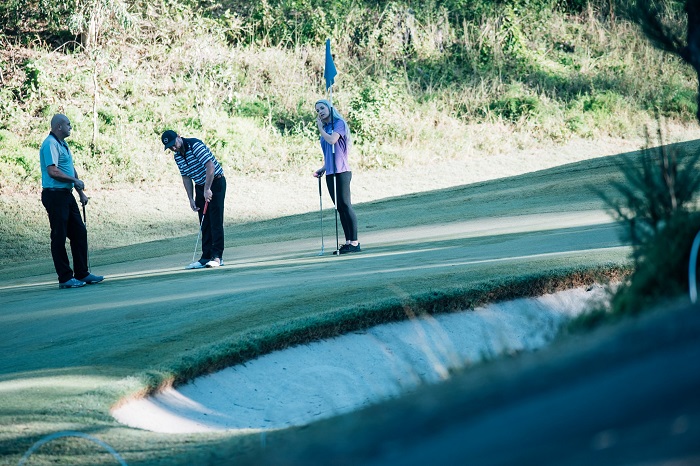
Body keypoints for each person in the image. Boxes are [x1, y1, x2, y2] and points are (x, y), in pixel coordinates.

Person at [39, 114, 104, 289]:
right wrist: (74, 181)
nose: (70, 127)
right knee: (59, 235)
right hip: (54, 195)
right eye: (68, 124)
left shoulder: (63, 144)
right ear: (59, 126)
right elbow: (53, 171)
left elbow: (70, 168)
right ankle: (65, 278)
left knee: (79, 232)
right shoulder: (50, 144)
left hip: (66, 194)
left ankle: (82, 273)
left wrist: (80, 192)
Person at [162, 130, 226, 269]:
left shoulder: (195, 145)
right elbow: (185, 177)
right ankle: (205, 257)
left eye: (174, 144)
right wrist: (191, 198)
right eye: (170, 147)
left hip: (215, 182)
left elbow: (210, 166)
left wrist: (208, 189)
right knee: (204, 222)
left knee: (215, 220)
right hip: (200, 186)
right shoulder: (177, 156)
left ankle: (217, 257)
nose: (174, 148)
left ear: (179, 137)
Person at [312, 99, 361, 254]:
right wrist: (323, 168)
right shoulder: (326, 128)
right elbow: (329, 154)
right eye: (317, 110)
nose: (320, 111)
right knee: (339, 208)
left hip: (342, 171)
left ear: (329, 107)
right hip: (331, 172)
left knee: (346, 205)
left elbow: (333, 140)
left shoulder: (338, 123)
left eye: (322, 107)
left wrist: (321, 129)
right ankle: (347, 242)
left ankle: (354, 242)